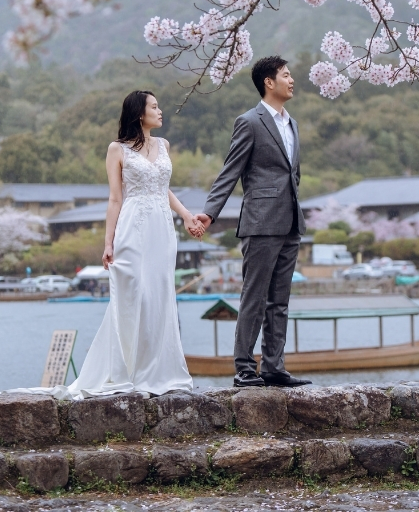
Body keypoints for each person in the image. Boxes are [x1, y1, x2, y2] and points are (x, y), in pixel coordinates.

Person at [22, 90, 203, 399]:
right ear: (139, 113)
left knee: (160, 295)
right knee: (134, 295)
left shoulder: (164, 145)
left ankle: (160, 370)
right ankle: (125, 371)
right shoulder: (117, 150)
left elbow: (164, 188)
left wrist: (186, 215)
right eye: (154, 107)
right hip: (132, 227)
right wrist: (109, 242)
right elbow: (115, 198)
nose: (161, 111)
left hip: (162, 229)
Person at [195, 56, 311, 389]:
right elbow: (230, 170)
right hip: (260, 221)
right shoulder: (250, 122)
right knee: (254, 297)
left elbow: (293, 173)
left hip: (290, 221)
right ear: (268, 82)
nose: (292, 80)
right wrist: (210, 211)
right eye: (286, 75)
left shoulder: (292, 123)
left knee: (280, 299)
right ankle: (244, 368)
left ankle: (274, 366)